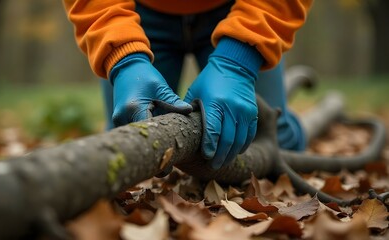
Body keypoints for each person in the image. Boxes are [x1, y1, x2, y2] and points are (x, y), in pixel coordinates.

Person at [63, 0, 313, 170]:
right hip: (134, 14)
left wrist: (238, 59)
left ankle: (291, 130)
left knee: (270, 139)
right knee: (130, 138)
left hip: (241, 9)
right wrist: (124, 58)